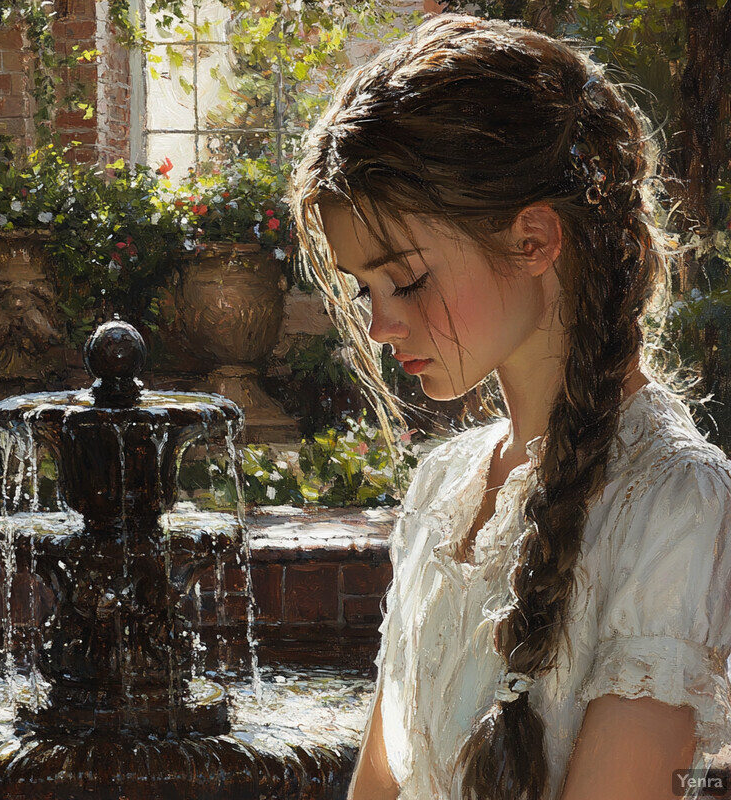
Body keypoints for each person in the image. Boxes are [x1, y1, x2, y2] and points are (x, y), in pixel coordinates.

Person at [289, 13, 731, 800]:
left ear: (534, 240)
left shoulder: (676, 504)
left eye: (407, 279)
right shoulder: (442, 488)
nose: (380, 324)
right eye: (365, 289)